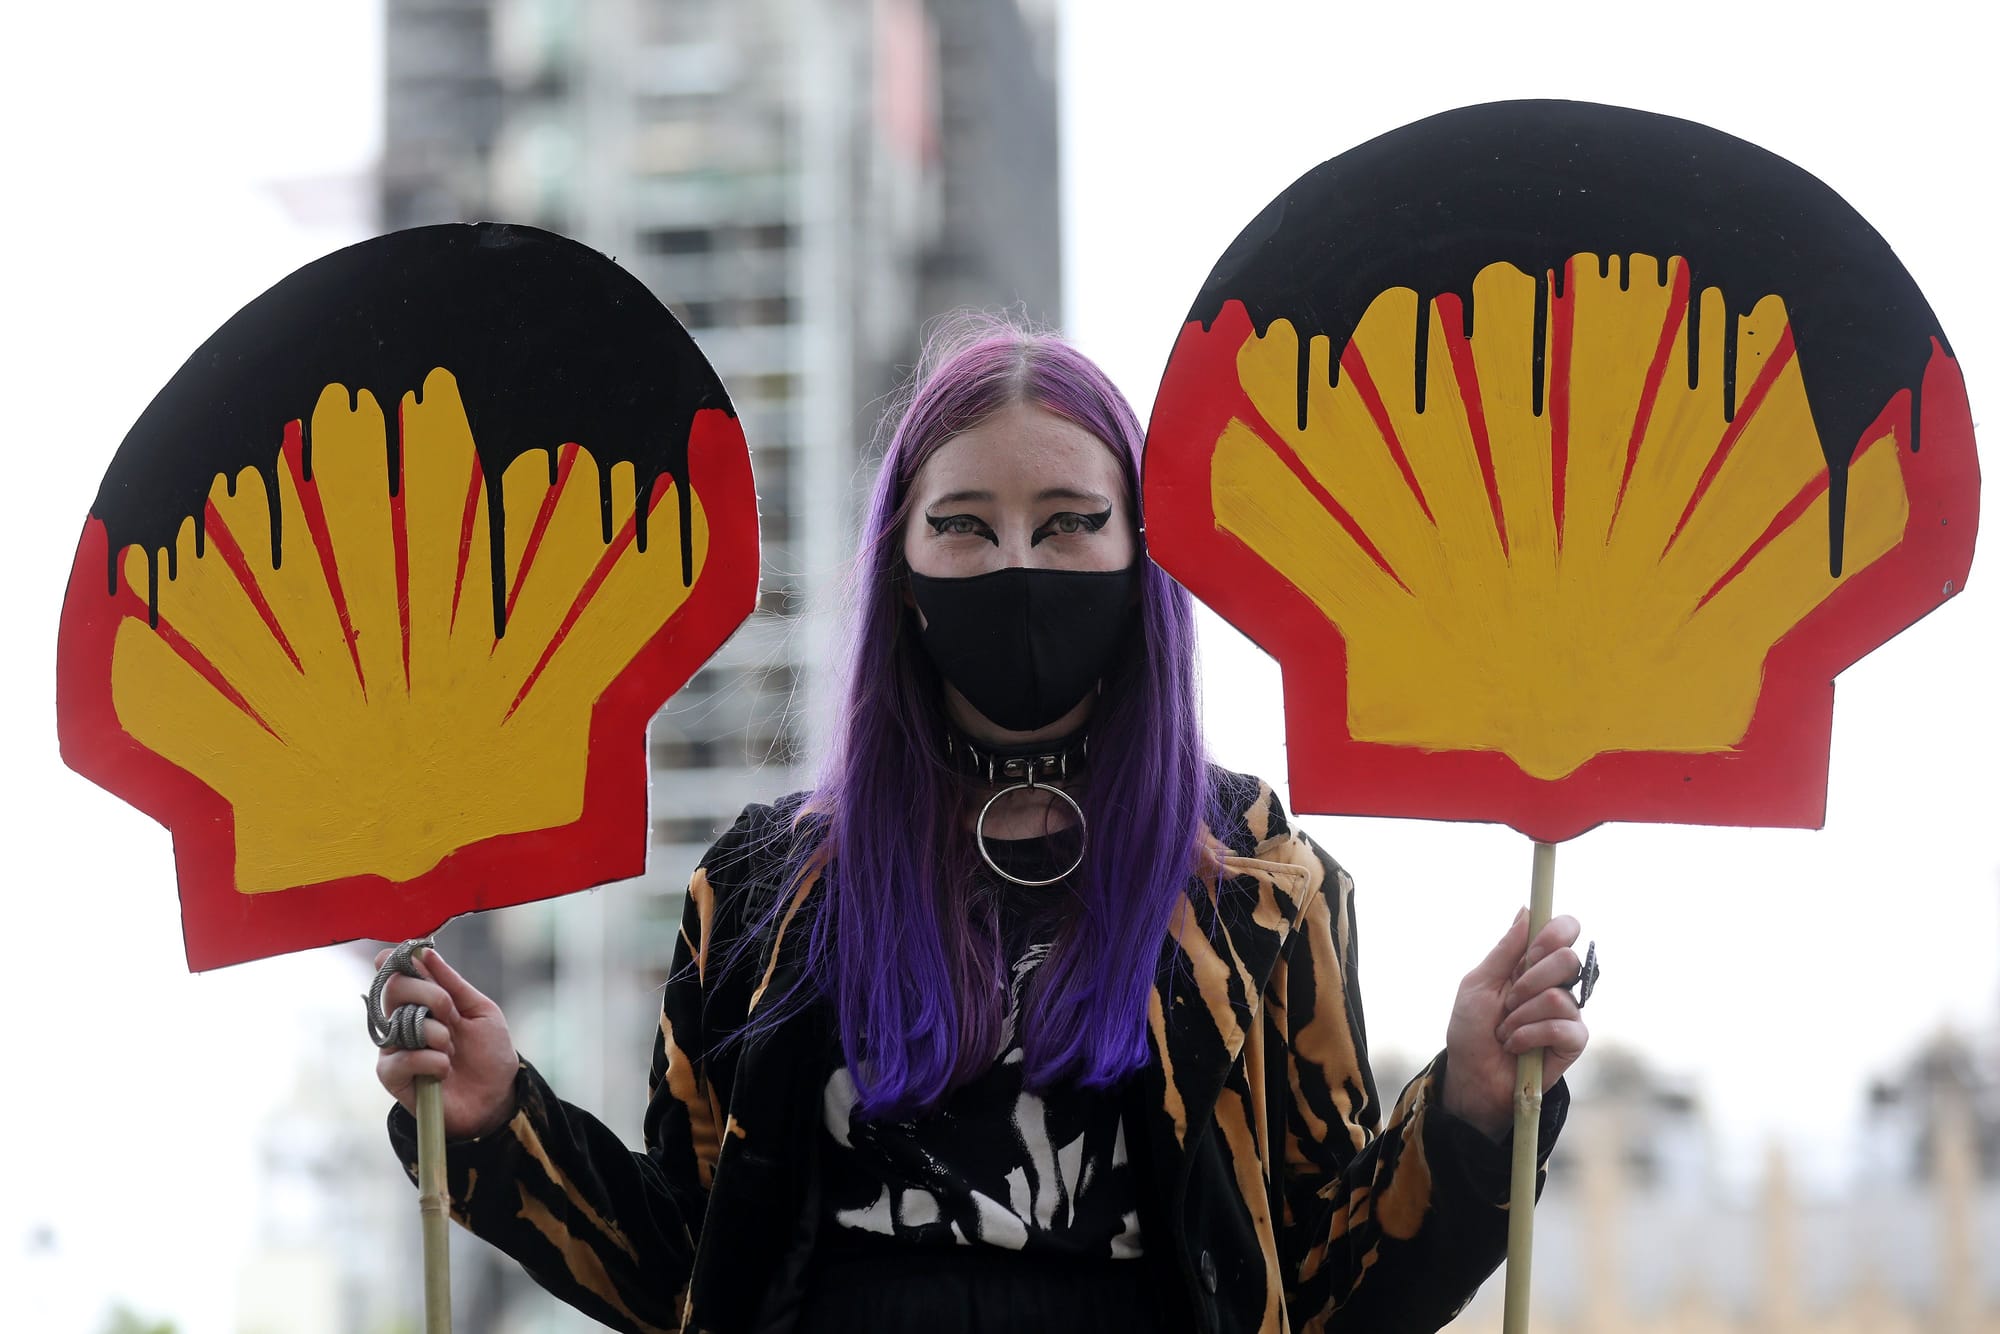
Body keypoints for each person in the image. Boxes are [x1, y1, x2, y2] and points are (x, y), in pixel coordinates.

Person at [372, 320, 1591, 1334]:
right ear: (898, 565)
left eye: (1069, 520)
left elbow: (1325, 1287)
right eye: (963, 522)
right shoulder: (759, 890)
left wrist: (1476, 1107)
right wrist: (492, 1121)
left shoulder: (1261, 884)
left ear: (1139, 551)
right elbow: (687, 1269)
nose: (1017, 556)